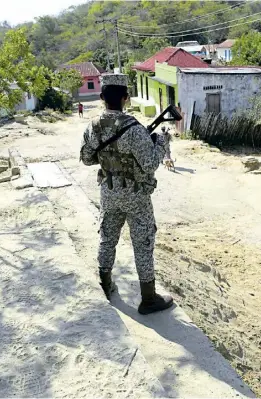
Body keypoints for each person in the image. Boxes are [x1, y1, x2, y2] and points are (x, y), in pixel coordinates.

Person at [79, 73, 173, 315]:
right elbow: (150, 163)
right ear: (126, 98)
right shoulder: (133, 128)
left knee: (107, 238)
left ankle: (106, 284)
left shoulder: (93, 126)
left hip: (108, 193)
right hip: (136, 197)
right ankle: (149, 299)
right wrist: (161, 142)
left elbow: (87, 158)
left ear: (101, 98)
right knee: (142, 242)